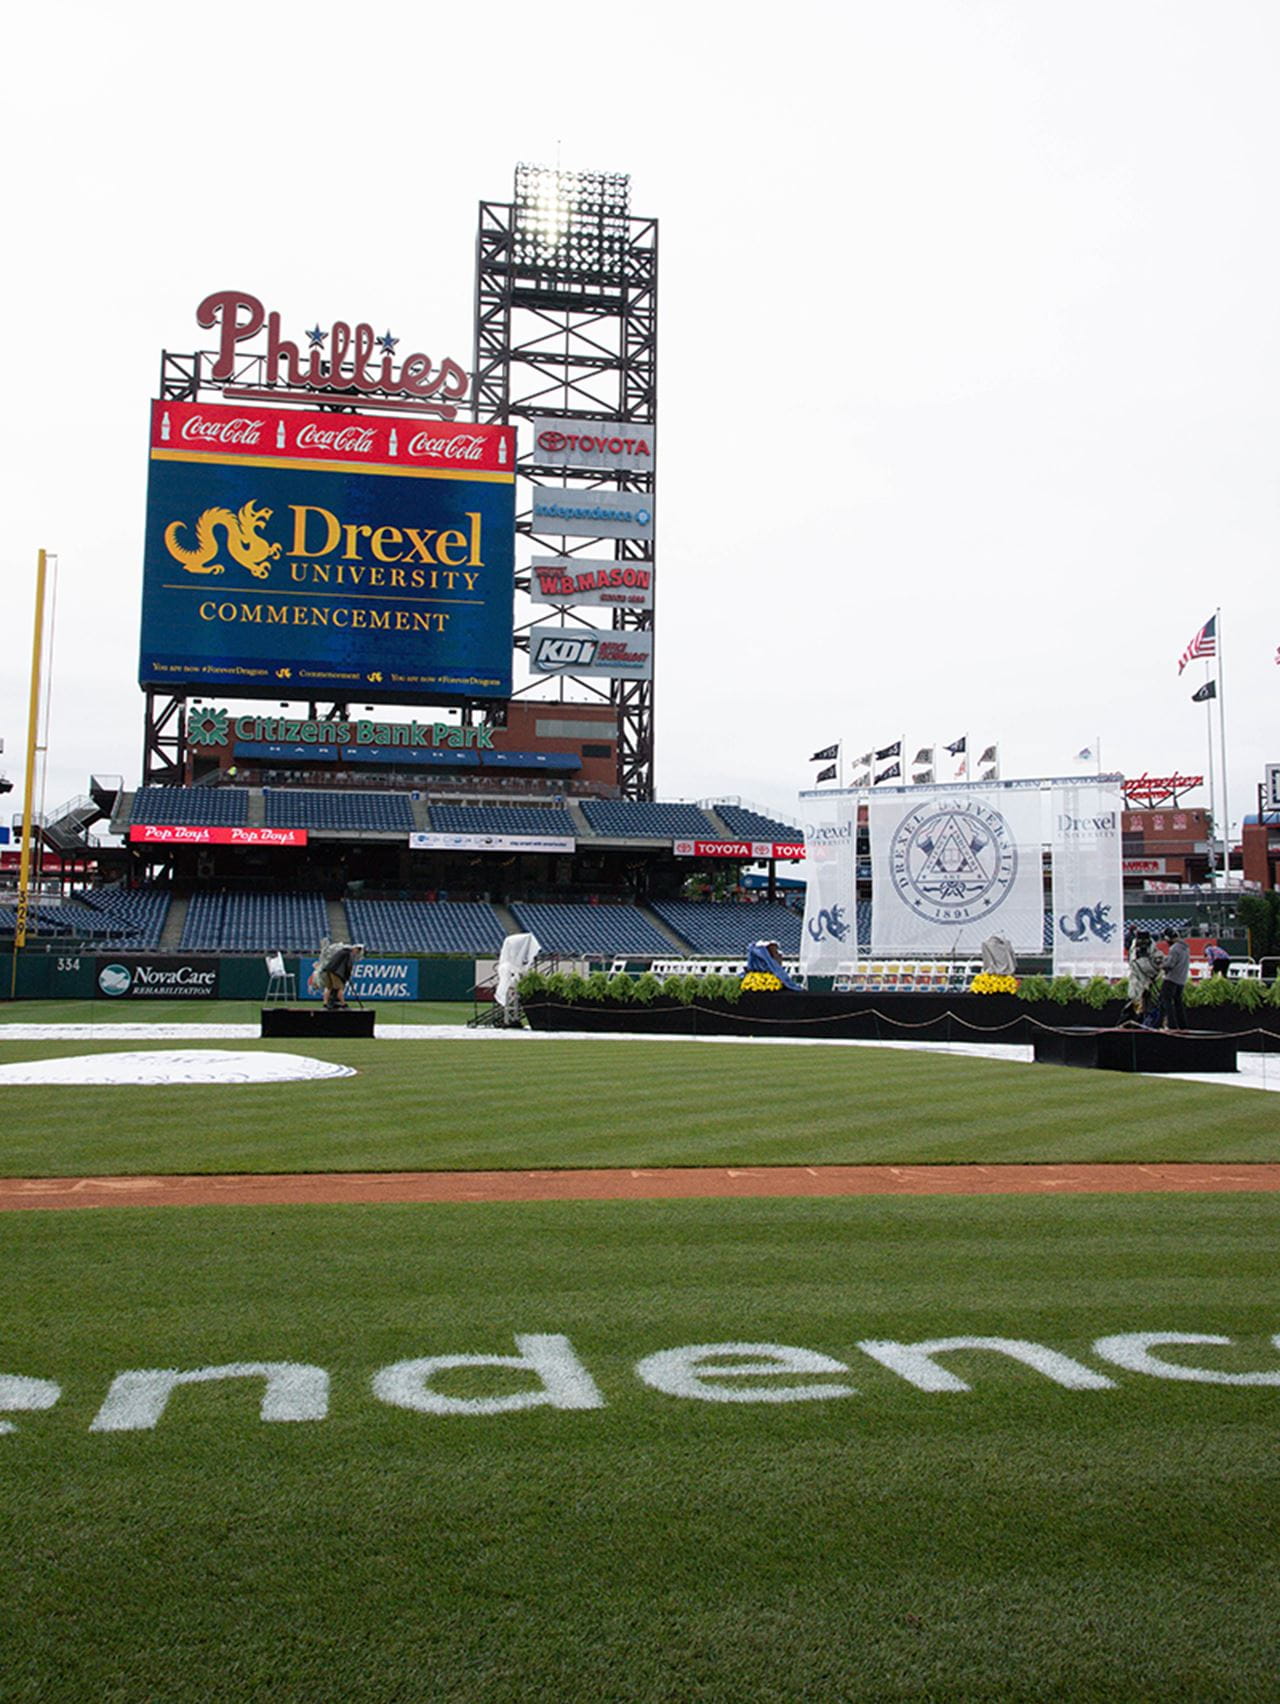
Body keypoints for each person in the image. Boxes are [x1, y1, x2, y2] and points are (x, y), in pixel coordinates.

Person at [313, 938, 362, 1010]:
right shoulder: (349, 954)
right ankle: (344, 1005)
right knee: (339, 988)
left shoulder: (342, 951)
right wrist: (348, 976)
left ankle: (325, 1005)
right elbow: (348, 966)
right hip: (336, 972)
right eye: (358, 951)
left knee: (329, 988)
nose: (357, 953)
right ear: (355, 949)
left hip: (328, 970)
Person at [1126, 931, 1161, 1027]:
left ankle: (1146, 1023)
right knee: (1135, 1002)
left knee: (1149, 1003)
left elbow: (1156, 968)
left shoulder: (1154, 950)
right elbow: (1132, 963)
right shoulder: (1133, 948)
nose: (1142, 943)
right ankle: (1134, 1022)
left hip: (1148, 982)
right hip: (1136, 981)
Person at [1158, 927, 1190, 1031]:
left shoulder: (1175, 948)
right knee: (1178, 1002)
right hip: (1182, 979)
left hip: (1171, 978)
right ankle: (1183, 1025)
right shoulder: (1185, 947)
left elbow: (1170, 964)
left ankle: (1170, 1024)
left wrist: (1161, 965)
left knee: (1165, 1000)